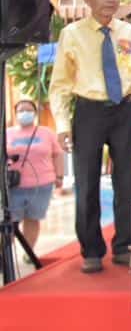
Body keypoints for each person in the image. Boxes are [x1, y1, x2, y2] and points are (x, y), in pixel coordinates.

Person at [49, 0, 131, 274]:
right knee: (87, 181)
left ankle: (123, 246)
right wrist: (63, 125)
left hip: (124, 111)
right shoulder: (72, 33)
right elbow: (60, 84)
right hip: (88, 111)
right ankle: (91, 249)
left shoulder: (130, 32)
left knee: (126, 184)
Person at [5, 99, 64, 256]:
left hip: (41, 186)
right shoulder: (7, 134)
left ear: (35, 113)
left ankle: (28, 251)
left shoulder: (46, 133)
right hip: (14, 186)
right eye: (21, 110)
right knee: (9, 222)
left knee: (33, 219)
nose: (25, 113)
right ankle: (4, 255)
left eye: (29, 110)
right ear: (16, 113)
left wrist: (59, 176)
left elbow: (58, 154)